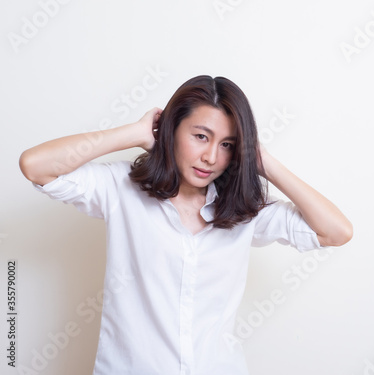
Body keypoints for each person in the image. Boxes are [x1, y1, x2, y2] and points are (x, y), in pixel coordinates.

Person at [19, 75, 353, 375]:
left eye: (227, 145)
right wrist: (134, 133)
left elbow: (336, 231)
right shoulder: (120, 187)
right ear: (172, 130)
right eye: (200, 136)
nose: (211, 157)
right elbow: (36, 166)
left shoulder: (244, 209)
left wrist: (265, 163)